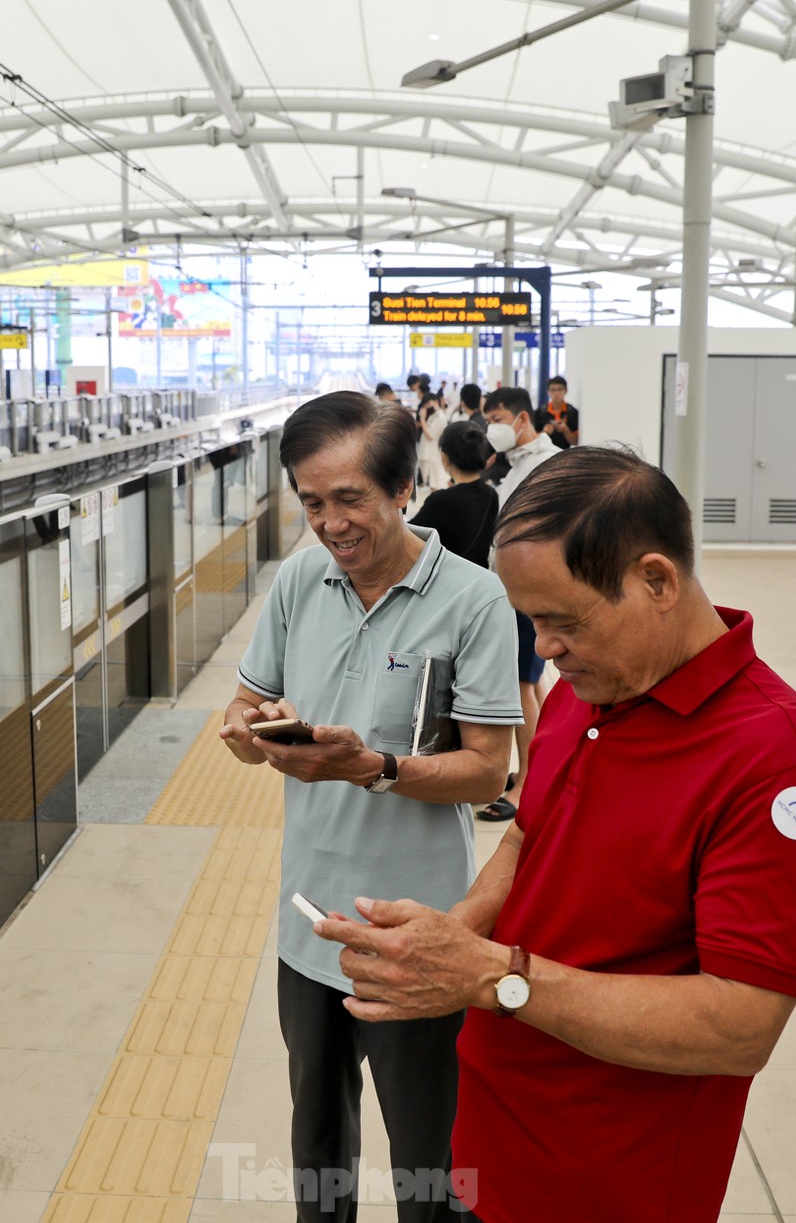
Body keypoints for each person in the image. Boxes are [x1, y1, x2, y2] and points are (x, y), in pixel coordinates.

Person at [313, 445, 796, 1223]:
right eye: (531, 620)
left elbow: (740, 1027)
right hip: (488, 1145)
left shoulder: (775, 765)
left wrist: (493, 978)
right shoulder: (593, 686)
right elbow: (530, 835)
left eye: (563, 621)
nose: (543, 649)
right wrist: (446, 943)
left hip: (607, 1181)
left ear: (657, 580)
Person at [221, 391, 522, 1223]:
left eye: (350, 498)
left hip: (415, 932)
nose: (330, 523)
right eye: (311, 502)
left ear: (403, 489)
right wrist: (249, 733)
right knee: (317, 1145)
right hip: (307, 920)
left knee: (429, 1161)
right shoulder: (300, 581)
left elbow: (489, 772)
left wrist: (375, 768)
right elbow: (248, 702)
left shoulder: (472, 601)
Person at [476, 386, 560, 823]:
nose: (493, 428)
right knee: (534, 683)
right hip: (513, 589)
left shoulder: (546, 465)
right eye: (488, 420)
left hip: (527, 592)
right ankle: (543, 766)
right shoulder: (518, 465)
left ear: (523, 420)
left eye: (499, 419)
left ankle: (529, 785)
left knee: (521, 687)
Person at [410, 420, 497, 568]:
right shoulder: (491, 494)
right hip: (481, 577)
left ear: (444, 458)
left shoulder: (440, 500)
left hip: (450, 581)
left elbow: (408, 537)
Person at [416, 376, 448, 494]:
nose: (427, 407)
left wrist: (423, 419)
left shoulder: (440, 417)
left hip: (432, 454)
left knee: (435, 484)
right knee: (430, 484)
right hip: (427, 453)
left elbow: (430, 435)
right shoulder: (435, 416)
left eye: (428, 404)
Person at [539, 376, 579, 449]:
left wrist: (566, 430)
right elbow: (533, 439)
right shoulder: (540, 412)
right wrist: (544, 432)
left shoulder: (572, 412)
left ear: (566, 390)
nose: (556, 393)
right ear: (548, 392)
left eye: (560, 389)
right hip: (543, 453)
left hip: (564, 454)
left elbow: (576, 441)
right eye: (553, 390)